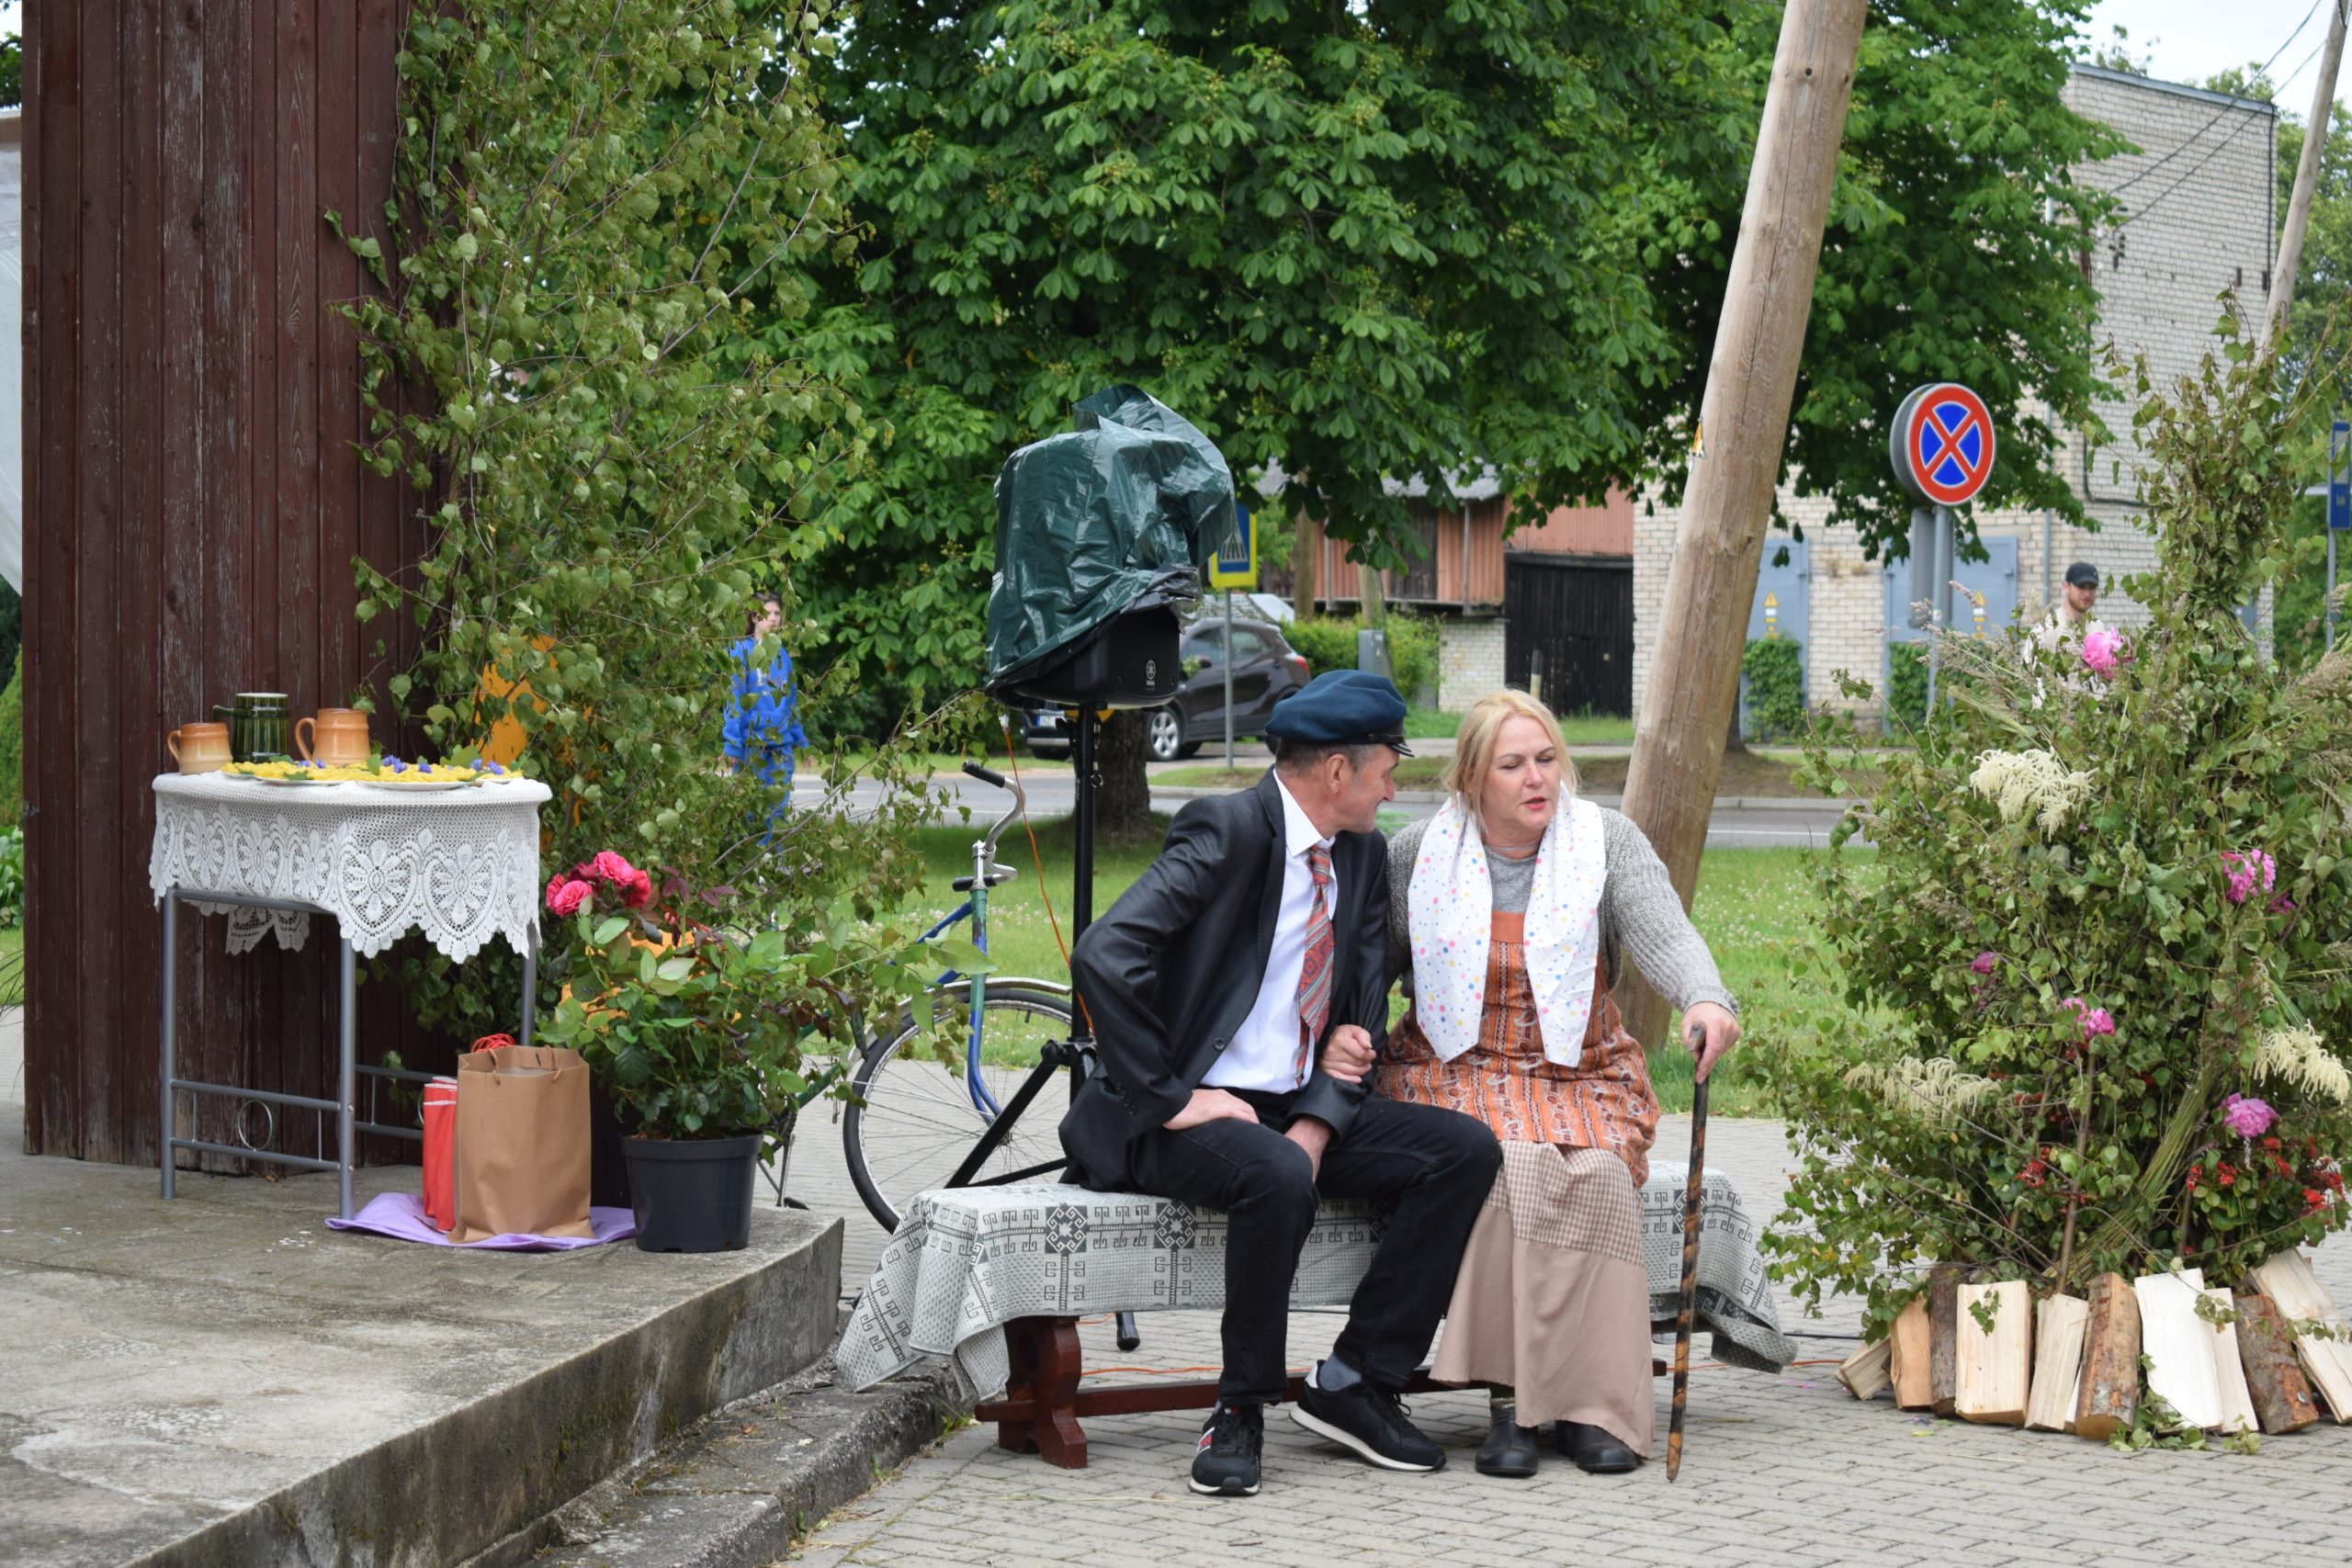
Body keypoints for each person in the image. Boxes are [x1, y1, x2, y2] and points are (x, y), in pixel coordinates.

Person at [1063, 670, 1502, 1499]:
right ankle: (1240, 1408)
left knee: (1463, 1151)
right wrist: (1172, 1095)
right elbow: (1104, 953)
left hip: (1291, 1103)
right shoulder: (1228, 830)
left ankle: (1357, 1380)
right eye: (1388, 769)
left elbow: (1363, 1000)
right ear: (1337, 771)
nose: (1394, 788)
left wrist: (1318, 1119)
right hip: (1184, 1114)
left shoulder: (1361, 854)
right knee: (1274, 1175)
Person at [1375, 689, 1741, 1479]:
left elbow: (1665, 930)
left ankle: (1592, 1406)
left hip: (1576, 1065)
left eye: (1546, 759)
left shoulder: (1605, 840)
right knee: (1510, 1163)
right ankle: (1510, 1402)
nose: (1537, 777)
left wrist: (1707, 998)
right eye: (1512, 764)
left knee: (1602, 1173)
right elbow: (1368, 970)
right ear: (1472, 778)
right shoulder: (1417, 853)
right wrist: (1341, 1036)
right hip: (1458, 1065)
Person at [724, 593, 807, 791]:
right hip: (751, 743)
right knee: (749, 801)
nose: (773, 618)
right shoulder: (741, 651)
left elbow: (791, 702)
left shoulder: (783, 655)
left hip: (781, 743)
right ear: (754, 617)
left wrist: (801, 741)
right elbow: (734, 699)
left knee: (779, 802)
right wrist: (733, 744)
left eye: (777, 613)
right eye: (767, 613)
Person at [2032, 561, 2103, 656]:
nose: (2087, 594)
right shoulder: (2046, 628)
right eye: (2081, 586)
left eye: (2092, 587)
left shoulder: (2098, 628)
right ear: (2066, 587)